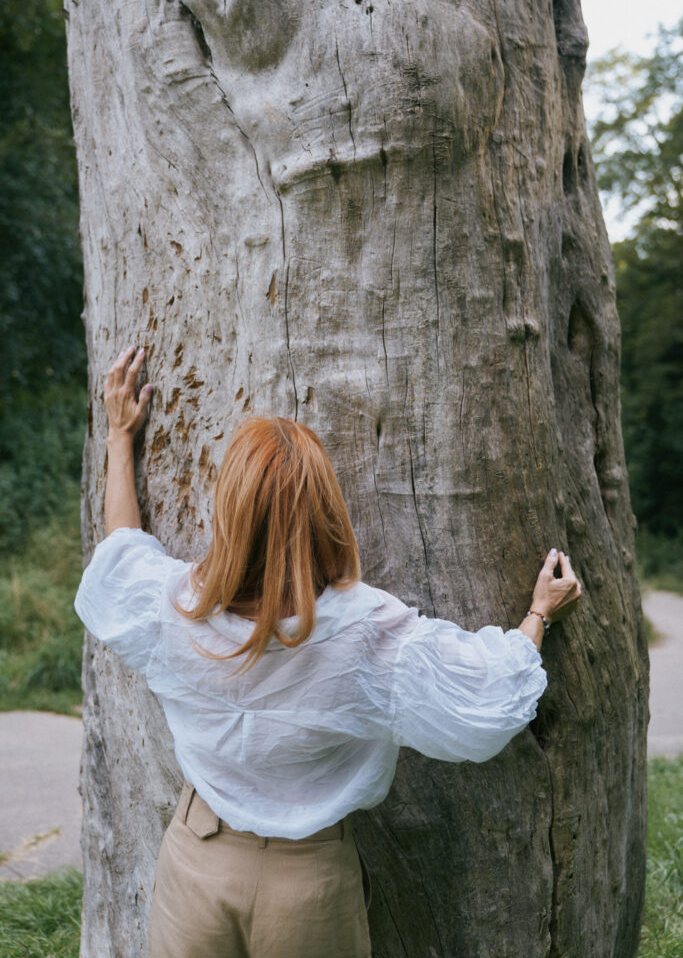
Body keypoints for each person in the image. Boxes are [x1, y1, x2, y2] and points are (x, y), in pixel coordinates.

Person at [75, 345, 582, 958]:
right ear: (324, 512)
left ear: (228, 509)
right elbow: (488, 699)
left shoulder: (174, 609)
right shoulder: (365, 632)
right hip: (307, 881)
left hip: (195, 861)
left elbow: (121, 550)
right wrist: (538, 614)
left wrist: (120, 438)